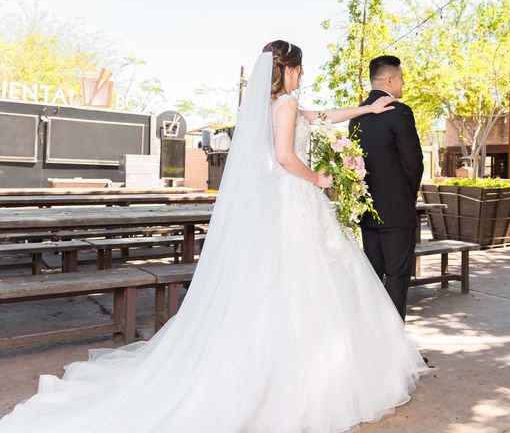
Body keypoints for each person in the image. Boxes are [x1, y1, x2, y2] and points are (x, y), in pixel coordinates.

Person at [0, 41, 425, 433]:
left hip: (284, 205)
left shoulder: (270, 105)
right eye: (300, 68)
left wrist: (366, 111)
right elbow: (283, 156)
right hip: (295, 199)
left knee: (276, 284)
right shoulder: (287, 104)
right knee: (300, 281)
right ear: (289, 70)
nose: (302, 75)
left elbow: (323, 117)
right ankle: (294, 379)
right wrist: (317, 177)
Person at [348, 56, 424, 321]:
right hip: (396, 212)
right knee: (397, 278)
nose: (403, 83)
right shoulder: (399, 111)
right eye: (401, 78)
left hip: (368, 213)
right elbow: (413, 163)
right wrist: (407, 197)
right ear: (390, 79)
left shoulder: (357, 116)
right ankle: (396, 351)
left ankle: (372, 344)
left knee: (372, 278)